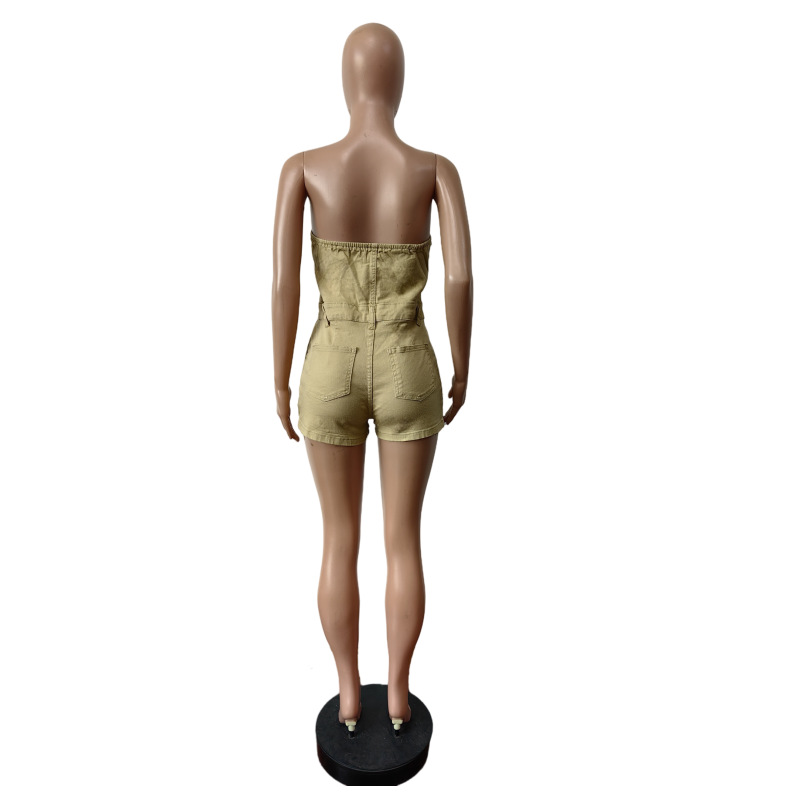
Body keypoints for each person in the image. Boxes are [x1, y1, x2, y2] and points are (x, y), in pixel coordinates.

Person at [272, 22, 473, 734]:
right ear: (399, 83)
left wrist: (277, 379)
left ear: (347, 82)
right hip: (409, 359)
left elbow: (282, 283)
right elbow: (460, 277)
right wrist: (464, 364)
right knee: (403, 541)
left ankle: (348, 696)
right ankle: (399, 696)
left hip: (329, 360)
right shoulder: (434, 169)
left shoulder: (304, 167)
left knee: (338, 538)